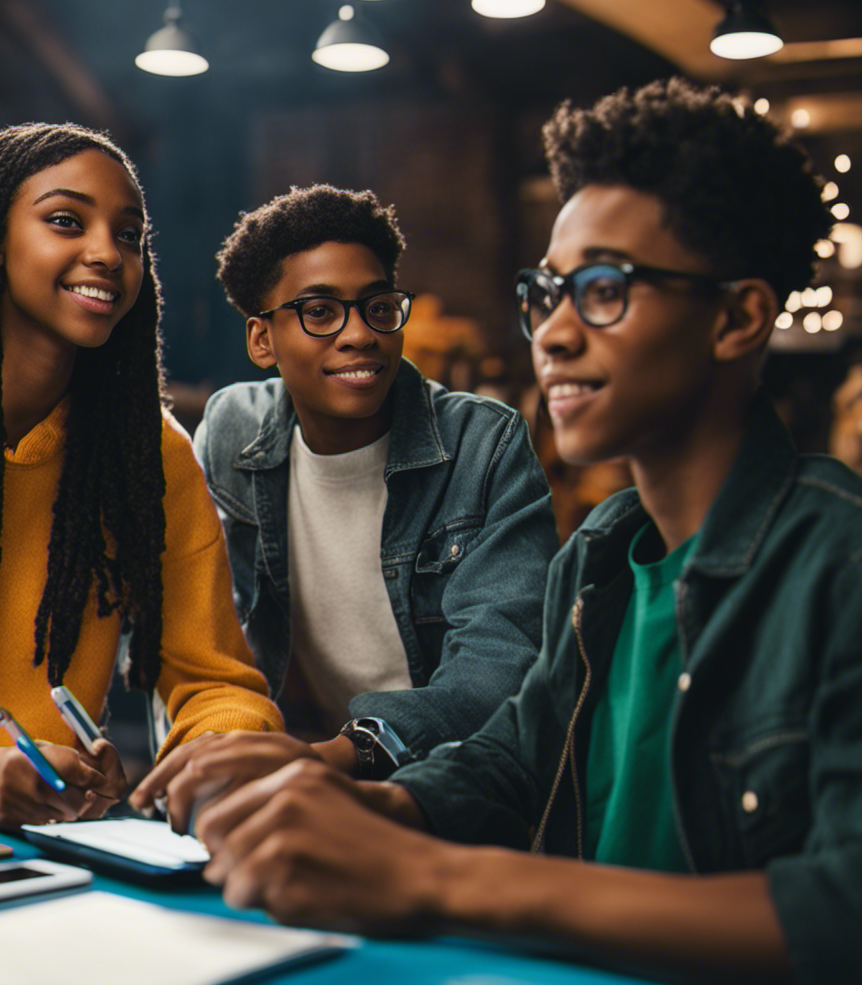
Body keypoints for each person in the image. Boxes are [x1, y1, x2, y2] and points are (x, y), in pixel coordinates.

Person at [148, 80, 860, 984]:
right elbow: (511, 761)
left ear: (738, 317)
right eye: (547, 292)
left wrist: (436, 875)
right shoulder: (603, 558)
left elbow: (844, 910)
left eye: (603, 290)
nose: (553, 335)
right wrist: (340, 796)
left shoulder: (840, 563)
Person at [0, 122, 282, 831]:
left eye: (130, 235)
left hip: (43, 849)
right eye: (66, 221)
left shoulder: (144, 453)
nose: (107, 252)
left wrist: (210, 764)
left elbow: (216, 681)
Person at [131, 185, 557, 807]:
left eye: (378, 307)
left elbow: (501, 667)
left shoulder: (481, 445)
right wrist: (215, 758)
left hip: (452, 787)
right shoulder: (233, 432)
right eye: (320, 312)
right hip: (300, 776)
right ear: (262, 341)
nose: (359, 334)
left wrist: (334, 755)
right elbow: (203, 636)